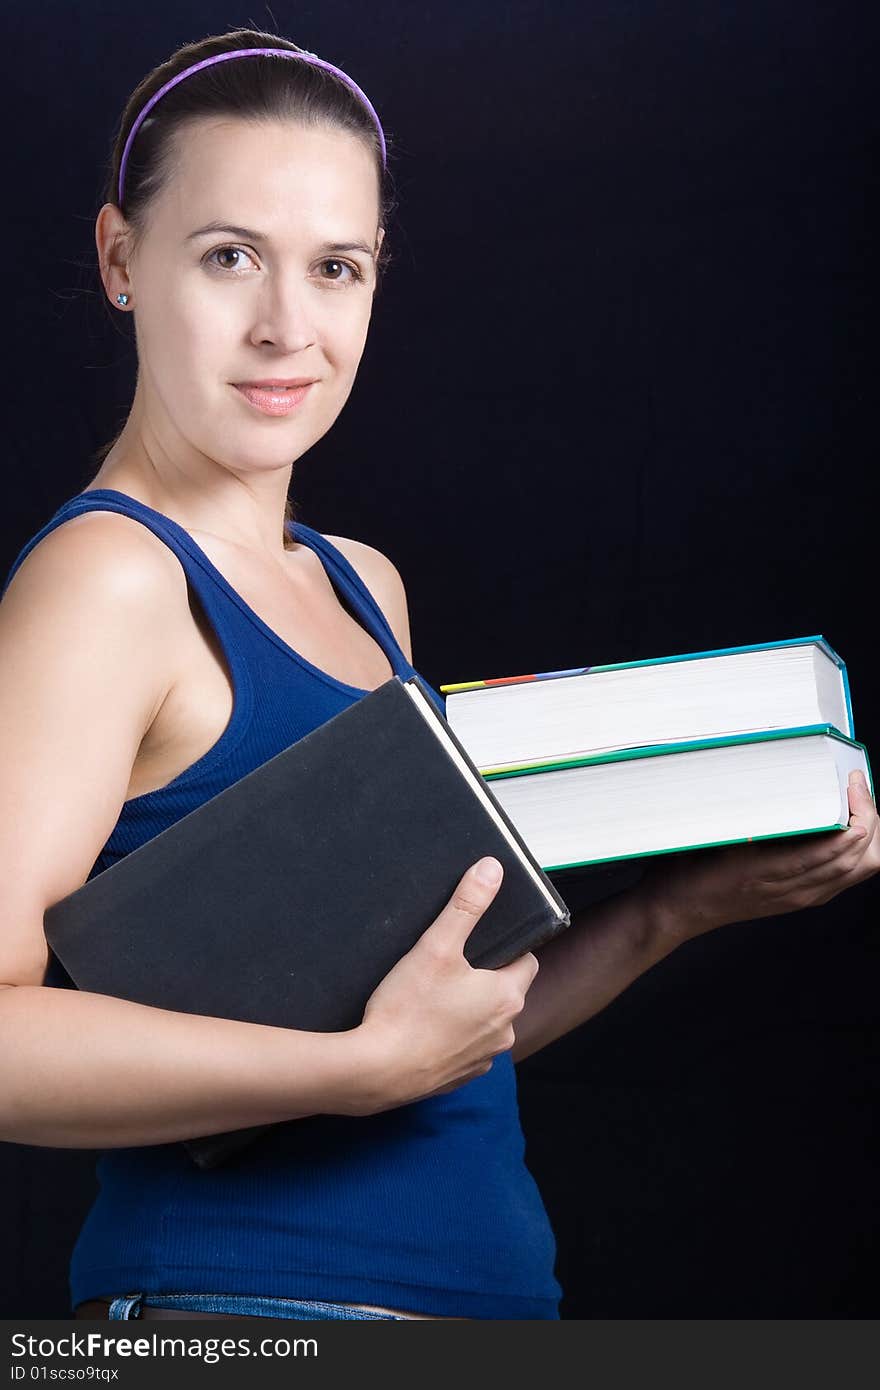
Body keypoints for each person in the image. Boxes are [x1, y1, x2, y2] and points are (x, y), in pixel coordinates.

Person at [0, 29, 877, 1324]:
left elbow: (435, 1038)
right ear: (122, 260)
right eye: (229, 254)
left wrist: (671, 914)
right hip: (243, 1314)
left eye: (336, 267)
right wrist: (357, 1067)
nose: (287, 327)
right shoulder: (113, 581)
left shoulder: (365, 585)